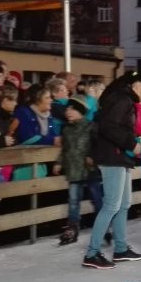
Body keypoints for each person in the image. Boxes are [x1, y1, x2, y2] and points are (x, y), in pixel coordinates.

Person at [81, 72, 141, 269]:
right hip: (112, 156)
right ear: (136, 85)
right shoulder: (122, 100)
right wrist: (131, 144)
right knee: (111, 205)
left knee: (124, 203)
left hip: (120, 156)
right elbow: (109, 127)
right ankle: (92, 253)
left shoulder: (123, 99)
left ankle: (120, 248)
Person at [53, 95, 102, 246]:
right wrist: (59, 162)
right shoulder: (66, 129)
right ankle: (72, 228)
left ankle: (104, 227)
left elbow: (98, 146)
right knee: (73, 201)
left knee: (97, 199)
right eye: (67, 108)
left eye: (71, 109)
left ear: (80, 111)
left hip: (90, 170)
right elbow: (65, 149)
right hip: (73, 170)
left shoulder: (91, 126)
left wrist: (92, 156)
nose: (68, 111)